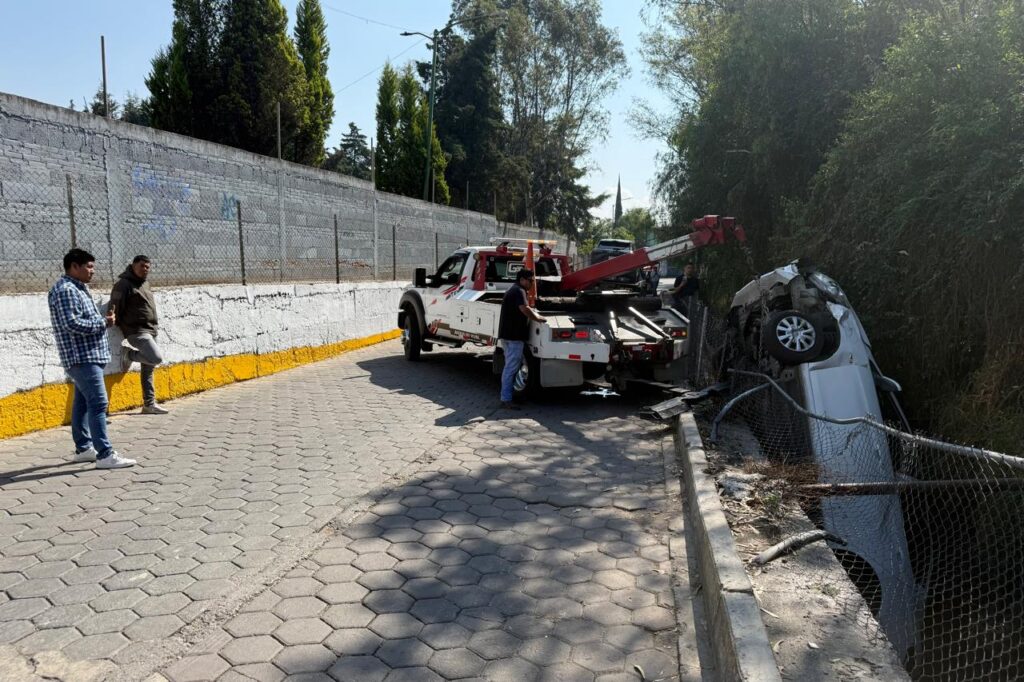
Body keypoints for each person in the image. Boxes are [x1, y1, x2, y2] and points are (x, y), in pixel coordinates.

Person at [48, 249, 136, 469]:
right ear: (74, 266)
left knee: (83, 403)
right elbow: (72, 324)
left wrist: (103, 320)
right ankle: (105, 455)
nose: (92, 271)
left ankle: (84, 449)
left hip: (88, 355)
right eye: (88, 267)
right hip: (81, 357)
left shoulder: (78, 288)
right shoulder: (67, 290)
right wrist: (103, 323)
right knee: (98, 403)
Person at [109, 255, 168, 414]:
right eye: (142, 266)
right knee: (156, 358)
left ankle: (149, 404)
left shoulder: (145, 283)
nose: (145, 269)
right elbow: (114, 307)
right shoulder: (123, 284)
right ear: (133, 265)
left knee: (148, 368)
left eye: (148, 267)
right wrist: (122, 324)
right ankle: (129, 355)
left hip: (151, 329)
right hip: (137, 331)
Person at [498, 268, 546, 409]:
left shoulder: (514, 289)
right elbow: (524, 309)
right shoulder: (519, 291)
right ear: (522, 280)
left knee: (510, 367)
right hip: (513, 337)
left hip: (508, 335)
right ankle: (506, 399)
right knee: (511, 368)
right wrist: (538, 318)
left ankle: (508, 396)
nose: (532, 283)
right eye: (530, 280)